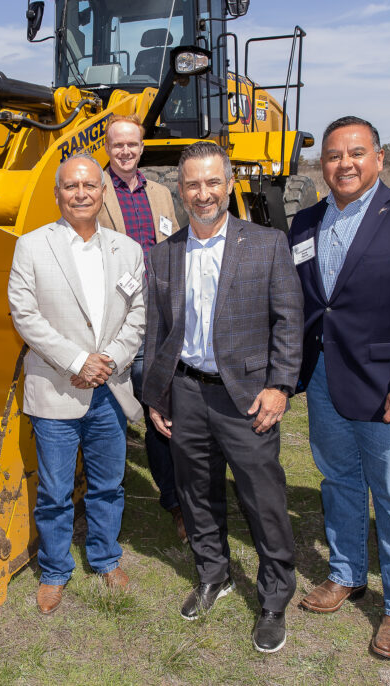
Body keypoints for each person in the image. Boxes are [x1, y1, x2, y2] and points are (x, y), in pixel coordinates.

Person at [288, 116, 390, 658]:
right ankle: (346, 572)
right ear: (323, 165)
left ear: (379, 158)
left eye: (357, 153)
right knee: (337, 480)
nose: (345, 164)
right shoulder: (305, 221)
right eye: (334, 156)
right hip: (322, 378)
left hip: (386, 386)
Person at [143, 141, 303, 653]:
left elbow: (289, 322)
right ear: (180, 190)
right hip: (186, 391)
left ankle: (275, 597)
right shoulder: (164, 253)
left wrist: (279, 386)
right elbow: (156, 332)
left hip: (247, 396)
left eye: (213, 182)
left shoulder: (267, 243)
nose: (203, 193)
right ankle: (214, 574)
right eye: (193, 184)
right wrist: (156, 395)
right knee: (196, 492)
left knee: (264, 499)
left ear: (228, 184)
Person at [7, 152, 146, 615]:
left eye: (90, 186)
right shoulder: (31, 246)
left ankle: (106, 557)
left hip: (109, 389)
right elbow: (25, 316)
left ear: (103, 192)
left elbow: (138, 315)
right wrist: (77, 360)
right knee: (54, 491)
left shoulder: (127, 250)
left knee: (109, 484)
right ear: (58, 194)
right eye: (71, 186)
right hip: (56, 389)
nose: (81, 194)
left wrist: (109, 361)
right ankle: (54, 571)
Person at [96, 113, 185, 541]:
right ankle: (104, 500)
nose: (125, 151)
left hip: (157, 315)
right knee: (111, 411)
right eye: (117, 146)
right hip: (113, 317)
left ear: (142, 146)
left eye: (132, 144)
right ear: (107, 148)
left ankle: (174, 500)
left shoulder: (163, 194)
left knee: (161, 410)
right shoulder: (93, 192)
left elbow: (175, 246)